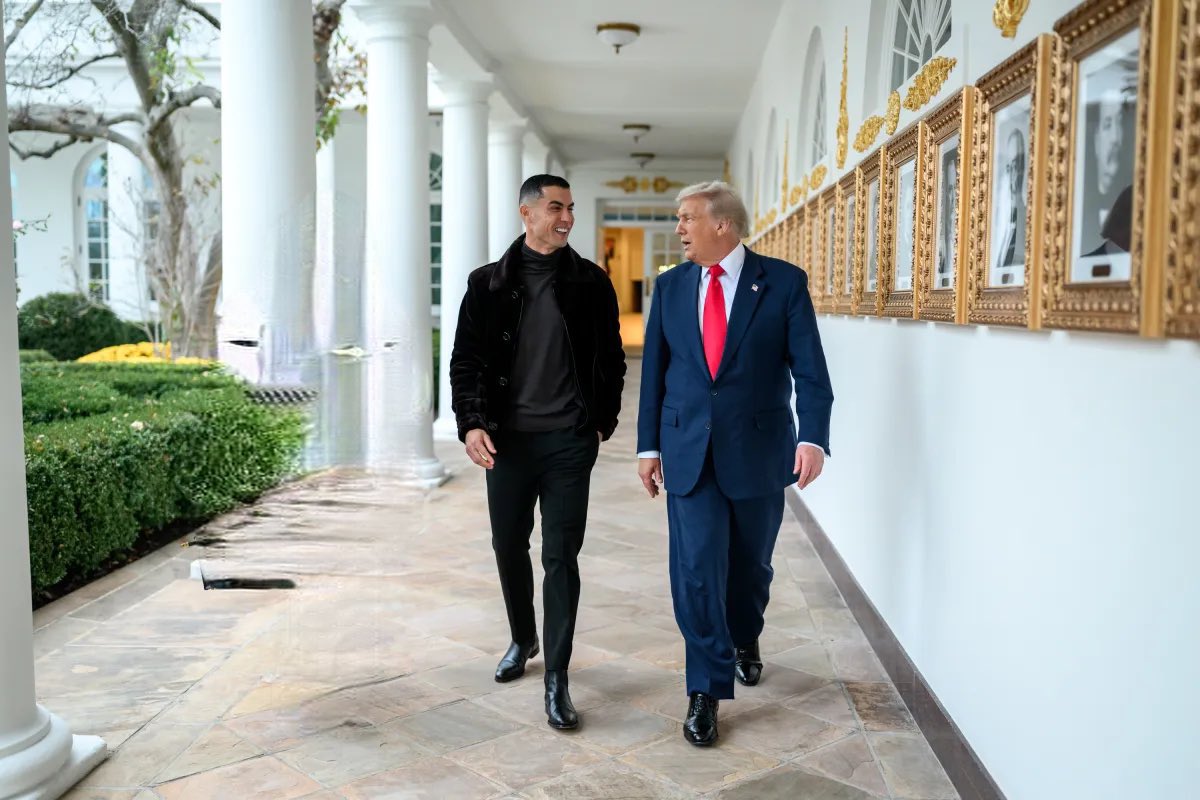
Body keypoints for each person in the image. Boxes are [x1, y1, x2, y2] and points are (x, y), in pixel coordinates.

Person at [636, 181, 833, 746]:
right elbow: (656, 373)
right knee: (696, 569)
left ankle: (745, 634)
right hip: (687, 453)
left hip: (759, 451)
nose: (679, 229)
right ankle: (705, 687)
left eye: (687, 218)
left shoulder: (783, 283)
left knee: (750, 568)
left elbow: (811, 372)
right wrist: (648, 447)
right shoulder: (671, 287)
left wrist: (813, 438)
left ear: (722, 224)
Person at [449, 174, 626, 731]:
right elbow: (466, 363)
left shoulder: (592, 283)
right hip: (508, 442)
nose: (567, 217)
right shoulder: (487, 284)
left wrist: (601, 421)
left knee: (560, 556)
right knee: (508, 545)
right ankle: (522, 638)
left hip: (570, 440)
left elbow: (613, 359)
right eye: (556, 208)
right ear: (526, 214)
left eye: (570, 207)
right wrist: (472, 423)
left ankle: (558, 676)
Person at [993, 127, 1027, 282]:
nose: (1014, 173)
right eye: (1010, 167)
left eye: (1017, 165)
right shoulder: (997, 225)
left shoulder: (1028, 220)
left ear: (1024, 167)